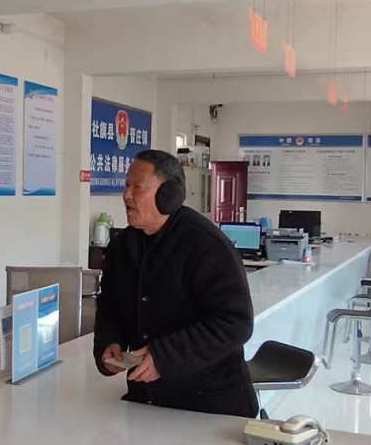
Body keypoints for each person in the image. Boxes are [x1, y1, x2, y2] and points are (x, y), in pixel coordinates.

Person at [93, 150, 257, 417]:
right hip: (146, 402)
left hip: (211, 406)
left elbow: (235, 323)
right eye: (126, 185)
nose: (126, 195)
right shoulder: (121, 247)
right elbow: (109, 306)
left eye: (138, 187)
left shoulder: (206, 245)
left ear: (169, 195)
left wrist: (164, 357)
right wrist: (109, 342)